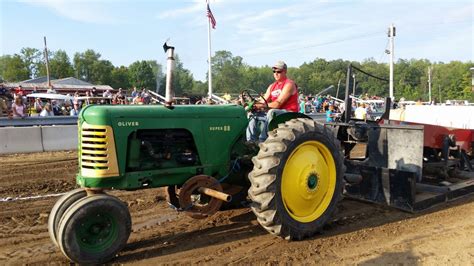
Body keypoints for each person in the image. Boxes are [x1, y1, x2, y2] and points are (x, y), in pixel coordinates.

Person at [246, 60, 299, 142]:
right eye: (274, 71)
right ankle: (251, 141)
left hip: (289, 113)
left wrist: (261, 105)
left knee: (272, 112)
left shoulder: (289, 84)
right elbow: (263, 100)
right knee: (253, 114)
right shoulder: (272, 86)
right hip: (278, 112)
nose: (276, 73)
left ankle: (263, 140)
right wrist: (251, 104)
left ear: (285, 71)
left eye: (278, 71)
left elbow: (278, 104)